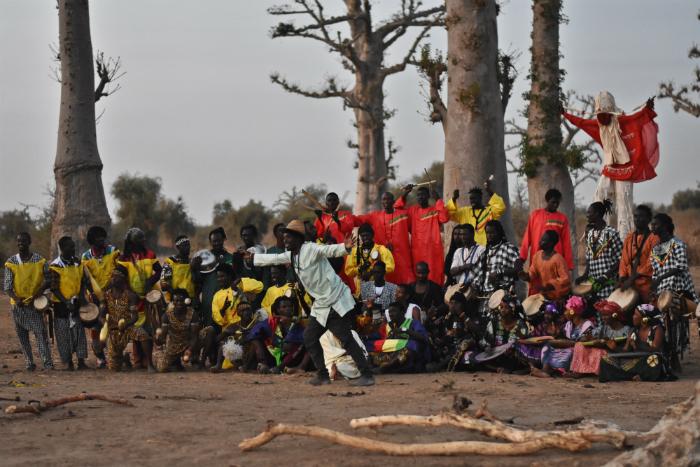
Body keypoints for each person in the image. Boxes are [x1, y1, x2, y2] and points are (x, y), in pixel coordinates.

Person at [247, 219, 375, 386]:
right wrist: (253, 258)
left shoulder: (310, 248)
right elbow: (275, 258)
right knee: (310, 337)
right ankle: (322, 375)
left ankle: (367, 375)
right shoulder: (292, 255)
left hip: (335, 299)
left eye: (288, 237)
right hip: (321, 304)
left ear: (298, 238)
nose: (284, 240)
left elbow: (328, 250)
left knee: (345, 338)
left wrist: (345, 247)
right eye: (284, 237)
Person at [649, 213, 697, 367]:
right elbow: (655, 273)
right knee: (663, 321)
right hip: (663, 291)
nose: (652, 227)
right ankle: (669, 354)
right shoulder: (655, 249)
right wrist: (654, 285)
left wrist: (660, 279)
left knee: (674, 320)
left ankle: (675, 354)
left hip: (680, 288)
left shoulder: (678, 244)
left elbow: (681, 267)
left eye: (655, 224)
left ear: (664, 226)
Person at [3, 232, 54, 371]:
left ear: (29, 242)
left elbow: (49, 279)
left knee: (40, 334)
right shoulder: (11, 262)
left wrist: (39, 291)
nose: (21, 244)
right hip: (18, 306)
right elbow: (7, 287)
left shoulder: (40, 260)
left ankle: (47, 363)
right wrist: (15, 298)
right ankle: (29, 363)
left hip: (34, 304)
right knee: (22, 336)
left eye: (24, 241)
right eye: (19, 241)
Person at [117, 227, 162, 369]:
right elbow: (121, 278)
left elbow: (159, 271)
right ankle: (137, 359)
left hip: (149, 297)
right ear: (131, 242)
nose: (143, 241)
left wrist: (151, 281)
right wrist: (130, 292)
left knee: (148, 327)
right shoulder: (124, 258)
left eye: (143, 239)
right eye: (139, 240)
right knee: (136, 327)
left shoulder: (150, 254)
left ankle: (145, 359)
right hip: (133, 298)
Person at [599, 304, 672, 382]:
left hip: (647, 361)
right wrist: (615, 348)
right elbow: (626, 351)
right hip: (635, 362)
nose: (633, 317)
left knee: (654, 358)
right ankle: (635, 376)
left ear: (645, 319)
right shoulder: (633, 331)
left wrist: (637, 346)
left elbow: (655, 349)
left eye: (635, 315)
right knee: (605, 359)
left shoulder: (657, 329)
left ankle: (633, 376)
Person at [354, 191, 414, 284]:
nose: (386, 201)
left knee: (406, 284)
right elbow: (357, 220)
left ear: (393, 201)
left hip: (403, 257)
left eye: (388, 199)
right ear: (381, 202)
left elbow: (414, 229)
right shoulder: (375, 216)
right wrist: (343, 218)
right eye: (383, 199)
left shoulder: (403, 215)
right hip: (383, 257)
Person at [395, 184, 449, 285]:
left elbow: (444, 218)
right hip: (417, 252)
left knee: (434, 280)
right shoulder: (412, 211)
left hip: (433, 252)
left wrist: (438, 199)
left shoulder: (434, 210)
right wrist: (405, 194)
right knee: (418, 279)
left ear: (429, 196)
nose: (420, 197)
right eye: (418, 195)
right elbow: (397, 209)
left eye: (423, 195)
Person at [81, 226, 119, 368]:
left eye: (103, 237)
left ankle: (115, 355)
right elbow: (86, 278)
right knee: (96, 329)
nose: (102, 240)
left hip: (113, 295)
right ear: (91, 241)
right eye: (98, 238)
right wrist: (91, 293)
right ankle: (100, 358)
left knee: (113, 326)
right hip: (95, 298)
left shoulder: (113, 251)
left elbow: (119, 270)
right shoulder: (86, 257)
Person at [101, 266, 152, 371]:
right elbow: (101, 315)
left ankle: (150, 363)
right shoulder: (105, 296)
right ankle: (124, 358)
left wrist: (126, 324)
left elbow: (135, 317)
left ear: (123, 279)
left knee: (144, 335)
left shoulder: (130, 296)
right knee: (114, 368)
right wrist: (105, 324)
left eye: (116, 277)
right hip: (112, 330)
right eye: (112, 276)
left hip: (128, 328)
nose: (113, 279)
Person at [49, 236, 89, 370]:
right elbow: (54, 288)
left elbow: (83, 281)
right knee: (63, 334)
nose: (73, 248)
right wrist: (66, 302)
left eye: (73, 246)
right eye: (70, 246)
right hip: (61, 304)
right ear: (62, 248)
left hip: (76, 302)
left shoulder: (77, 262)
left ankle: (81, 361)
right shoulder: (55, 265)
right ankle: (67, 362)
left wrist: (82, 296)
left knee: (79, 332)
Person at [533, 296, 594, 378]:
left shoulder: (587, 324)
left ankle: (564, 371)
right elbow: (564, 338)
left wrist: (566, 343)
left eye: (567, 310)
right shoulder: (569, 324)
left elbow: (584, 341)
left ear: (573, 311)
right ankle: (546, 370)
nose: (565, 312)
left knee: (570, 351)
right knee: (548, 346)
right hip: (571, 347)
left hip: (581, 350)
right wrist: (557, 334)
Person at [569, 300, 631, 377]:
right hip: (607, 353)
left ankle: (598, 372)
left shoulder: (627, 330)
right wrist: (588, 338)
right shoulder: (603, 328)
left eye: (606, 315)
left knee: (600, 352)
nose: (603, 318)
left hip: (618, 357)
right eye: (602, 315)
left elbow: (627, 348)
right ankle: (579, 371)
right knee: (579, 345)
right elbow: (584, 337)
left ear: (615, 315)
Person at [576, 200, 622, 300]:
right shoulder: (590, 234)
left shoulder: (611, 233)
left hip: (608, 285)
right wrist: (584, 275)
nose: (587, 215)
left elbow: (621, 259)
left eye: (589, 212)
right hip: (593, 285)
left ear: (596, 214)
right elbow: (589, 259)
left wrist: (605, 276)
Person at [519, 188, 573, 272]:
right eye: (553, 202)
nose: (555, 205)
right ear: (547, 200)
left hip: (556, 259)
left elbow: (566, 243)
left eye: (557, 203)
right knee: (536, 282)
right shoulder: (535, 215)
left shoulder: (562, 218)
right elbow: (527, 238)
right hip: (536, 257)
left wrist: (568, 264)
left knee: (555, 284)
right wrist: (522, 258)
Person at [367, 302, 429, 374]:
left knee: (412, 345)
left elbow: (423, 337)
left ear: (402, 312)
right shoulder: (389, 326)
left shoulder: (413, 323)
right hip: (391, 355)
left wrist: (404, 330)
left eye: (394, 311)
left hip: (409, 358)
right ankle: (376, 368)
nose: (390, 314)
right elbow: (376, 336)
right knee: (370, 346)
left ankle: (385, 368)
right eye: (389, 312)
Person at [213, 301, 274, 373]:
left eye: (248, 310)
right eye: (243, 310)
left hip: (254, 357)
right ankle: (218, 365)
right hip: (240, 359)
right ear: (238, 313)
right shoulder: (234, 326)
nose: (246, 312)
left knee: (254, 341)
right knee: (225, 343)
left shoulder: (257, 324)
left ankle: (261, 364)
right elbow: (216, 341)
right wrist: (226, 334)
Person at [475, 221, 522, 314]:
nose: (489, 235)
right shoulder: (484, 253)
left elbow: (519, 270)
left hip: (504, 297)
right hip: (486, 298)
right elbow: (478, 276)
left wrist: (500, 272)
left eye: (492, 232)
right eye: (487, 233)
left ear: (499, 233)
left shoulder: (509, 248)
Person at [193, 227, 234, 328]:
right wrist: (194, 268)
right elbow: (197, 281)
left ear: (224, 240)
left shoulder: (230, 258)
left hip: (228, 301)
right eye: (214, 241)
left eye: (219, 241)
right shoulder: (203, 259)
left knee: (228, 327)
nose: (216, 243)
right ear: (210, 242)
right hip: (209, 300)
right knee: (210, 329)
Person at [446, 179, 506, 246]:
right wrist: (454, 198)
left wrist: (489, 191)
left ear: (480, 198)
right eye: (471, 199)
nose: (472, 201)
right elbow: (448, 214)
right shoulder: (464, 212)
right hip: (469, 250)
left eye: (474, 198)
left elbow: (501, 207)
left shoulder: (489, 211)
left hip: (486, 248)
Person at [618, 205, 659, 304]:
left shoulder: (655, 238)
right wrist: (622, 278)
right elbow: (624, 260)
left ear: (649, 219)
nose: (637, 219)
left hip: (646, 284)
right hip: (630, 283)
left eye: (641, 216)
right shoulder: (630, 238)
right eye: (635, 216)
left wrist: (632, 278)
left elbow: (652, 264)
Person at [157, 288, 202, 372]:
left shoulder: (193, 314)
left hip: (189, 342)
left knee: (208, 331)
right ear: (172, 302)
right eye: (176, 301)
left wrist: (189, 350)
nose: (179, 303)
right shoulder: (166, 316)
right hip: (174, 345)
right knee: (161, 369)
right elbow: (162, 338)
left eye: (181, 300)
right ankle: (176, 362)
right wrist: (157, 339)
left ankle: (197, 360)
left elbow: (194, 336)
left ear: (186, 300)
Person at [519, 230, 571, 302]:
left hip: (558, 296)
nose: (540, 242)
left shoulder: (558, 259)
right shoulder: (538, 255)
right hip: (545, 295)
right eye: (541, 239)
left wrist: (549, 285)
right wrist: (527, 276)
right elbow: (533, 271)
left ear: (551, 243)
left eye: (544, 240)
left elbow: (565, 279)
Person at [344, 223, 394, 295]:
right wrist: (359, 269)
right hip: (361, 291)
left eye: (367, 235)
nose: (365, 238)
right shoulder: (354, 251)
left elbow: (390, 267)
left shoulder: (381, 249)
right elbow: (348, 271)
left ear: (372, 235)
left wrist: (372, 272)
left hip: (378, 290)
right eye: (363, 236)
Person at [267, 295, 310, 374]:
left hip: (296, 356)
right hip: (278, 355)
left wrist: (290, 320)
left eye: (290, 306)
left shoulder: (298, 322)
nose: (288, 308)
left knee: (306, 339)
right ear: (278, 309)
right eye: (284, 306)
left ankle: (284, 367)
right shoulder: (272, 322)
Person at [448, 224, 485, 292]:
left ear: (472, 234)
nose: (462, 237)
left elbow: (483, 272)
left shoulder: (481, 250)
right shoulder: (458, 251)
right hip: (460, 287)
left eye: (465, 234)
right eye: (461, 234)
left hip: (475, 289)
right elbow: (452, 271)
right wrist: (465, 267)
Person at [161, 235, 196, 303]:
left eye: (188, 245)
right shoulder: (170, 261)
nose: (188, 247)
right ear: (178, 247)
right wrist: (174, 296)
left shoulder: (192, 261)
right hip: (175, 299)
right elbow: (164, 283)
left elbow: (197, 281)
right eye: (184, 245)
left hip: (190, 298)